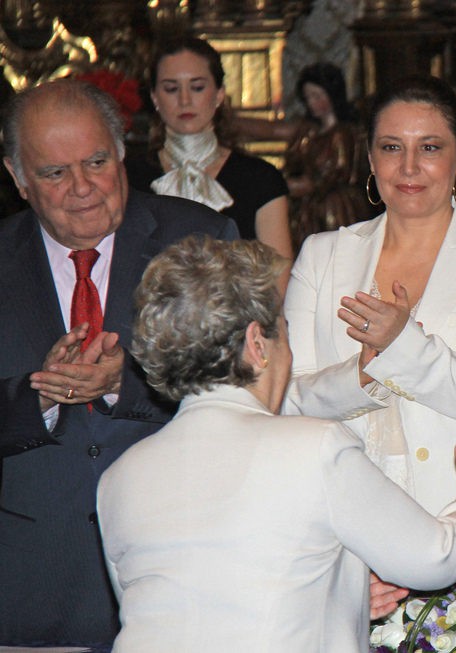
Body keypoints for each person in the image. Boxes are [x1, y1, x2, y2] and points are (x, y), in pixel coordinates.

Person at [96, 235, 456, 652]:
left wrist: (340, 588)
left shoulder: (120, 476)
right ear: (256, 343)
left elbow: (183, 600)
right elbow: (436, 557)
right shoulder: (312, 447)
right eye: (282, 331)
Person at [283, 74, 456, 618]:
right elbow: (286, 403)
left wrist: (401, 344)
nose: (409, 168)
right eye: (391, 148)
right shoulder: (322, 255)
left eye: (430, 148)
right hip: (348, 548)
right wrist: (361, 374)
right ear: (370, 157)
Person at [0, 78, 237, 647]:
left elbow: (245, 384)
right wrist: (39, 397)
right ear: (17, 177)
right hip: (32, 589)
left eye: (97, 162)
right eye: (54, 173)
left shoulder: (199, 239)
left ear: (122, 150)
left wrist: (126, 380)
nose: (81, 188)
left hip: (184, 571)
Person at [126, 37, 292, 260]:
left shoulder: (260, 179)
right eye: (171, 89)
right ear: (155, 97)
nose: (185, 100)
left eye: (197, 87)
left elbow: (278, 280)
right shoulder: (129, 177)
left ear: (219, 94)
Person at [237, 62, 373, 249]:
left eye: (317, 96)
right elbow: (274, 132)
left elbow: (331, 174)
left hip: (334, 209)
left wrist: (293, 186)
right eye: (308, 97)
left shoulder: (342, 134)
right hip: (310, 209)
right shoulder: (309, 132)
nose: (312, 103)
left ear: (332, 95)